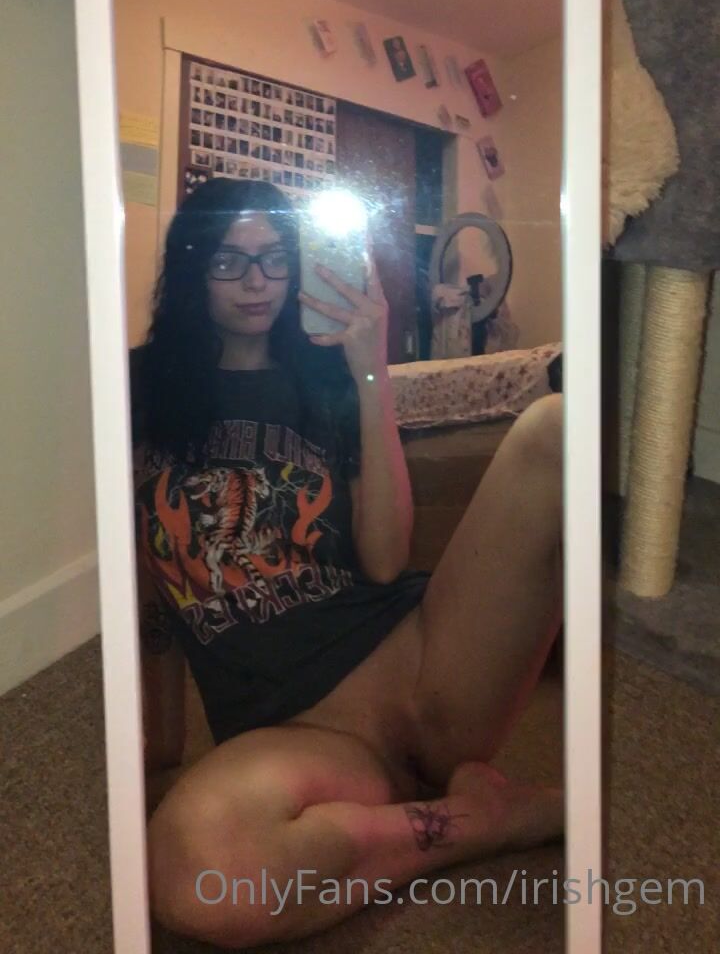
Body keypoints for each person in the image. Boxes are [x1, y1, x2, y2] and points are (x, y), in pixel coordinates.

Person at [132, 176, 563, 948]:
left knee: (556, 430)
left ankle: (423, 816)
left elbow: (386, 560)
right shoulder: (138, 392)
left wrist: (369, 371)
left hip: (422, 664)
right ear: (193, 269)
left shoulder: (326, 380)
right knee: (200, 874)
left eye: (274, 258)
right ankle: (482, 820)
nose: (257, 281)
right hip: (300, 739)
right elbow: (147, 594)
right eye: (229, 261)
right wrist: (158, 751)